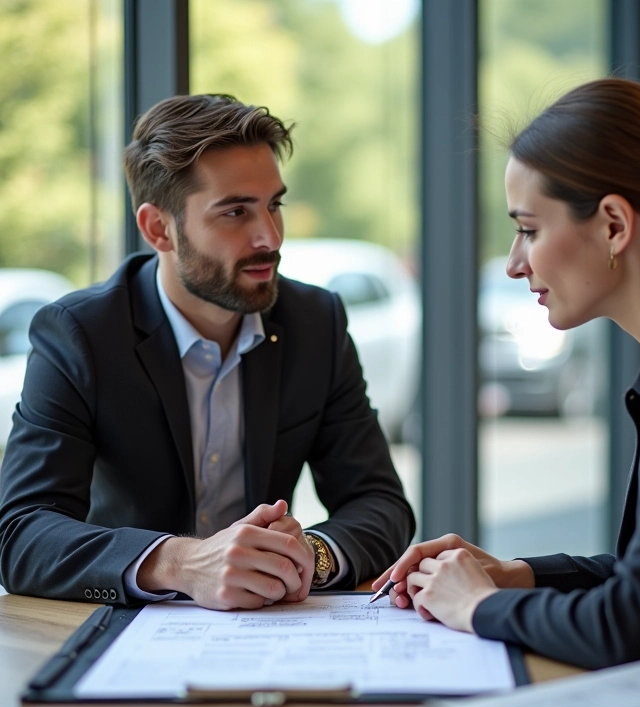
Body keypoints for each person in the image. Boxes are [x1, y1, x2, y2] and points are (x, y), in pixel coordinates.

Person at [374, 78, 640, 669]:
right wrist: (516, 576)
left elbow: (638, 624)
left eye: (528, 229)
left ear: (613, 224)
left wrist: (478, 606)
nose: (512, 263)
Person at [0, 93, 414, 610]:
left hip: (272, 624)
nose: (270, 236)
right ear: (158, 228)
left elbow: (380, 504)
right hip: (126, 632)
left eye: (273, 204)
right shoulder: (80, 334)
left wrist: (307, 554)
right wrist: (180, 564)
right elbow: (21, 534)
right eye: (235, 211)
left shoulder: (315, 322)